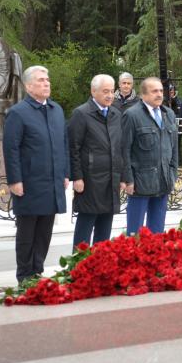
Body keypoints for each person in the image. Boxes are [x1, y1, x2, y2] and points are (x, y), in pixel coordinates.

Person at [3, 66, 71, 285]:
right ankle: (24, 275)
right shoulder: (18, 112)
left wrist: (65, 173)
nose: (47, 83)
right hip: (30, 182)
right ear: (28, 86)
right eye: (41, 80)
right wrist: (15, 180)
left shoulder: (56, 110)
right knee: (27, 232)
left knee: (44, 230)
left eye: (47, 79)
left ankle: (37, 270)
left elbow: (63, 144)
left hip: (52, 181)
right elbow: (11, 148)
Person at [67, 74, 123, 249]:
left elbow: (119, 147)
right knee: (85, 227)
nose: (110, 95)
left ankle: (100, 268)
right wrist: (77, 177)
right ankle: (78, 268)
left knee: (104, 230)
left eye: (112, 91)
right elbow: (73, 148)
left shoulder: (116, 114)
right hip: (89, 180)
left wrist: (122, 176)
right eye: (105, 91)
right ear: (93, 91)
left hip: (111, 179)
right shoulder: (81, 114)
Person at [121, 77, 179, 234]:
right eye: (155, 91)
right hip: (140, 183)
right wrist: (128, 179)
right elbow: (124, 150)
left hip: (163, 181)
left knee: (157, 234)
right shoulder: (132, 115)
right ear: (143, 95)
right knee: (135, 234)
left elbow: (174, 148)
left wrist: (173, 173)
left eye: (161, 91)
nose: (159, 94)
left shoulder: (169, 115)